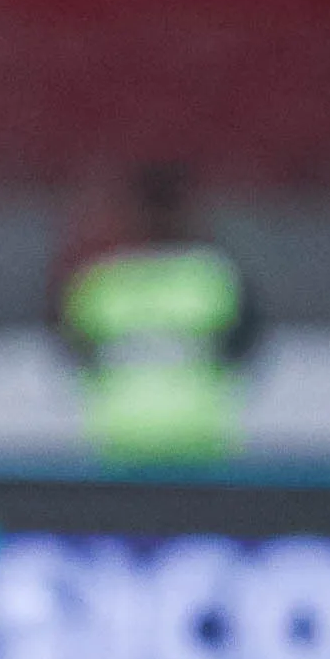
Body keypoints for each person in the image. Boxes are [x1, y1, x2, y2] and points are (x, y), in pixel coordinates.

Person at [60, 161, 260, 465]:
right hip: (169, 439)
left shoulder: (101, 283)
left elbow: (76, 356)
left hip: (152, 441)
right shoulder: (215, 278)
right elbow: (243, 353)